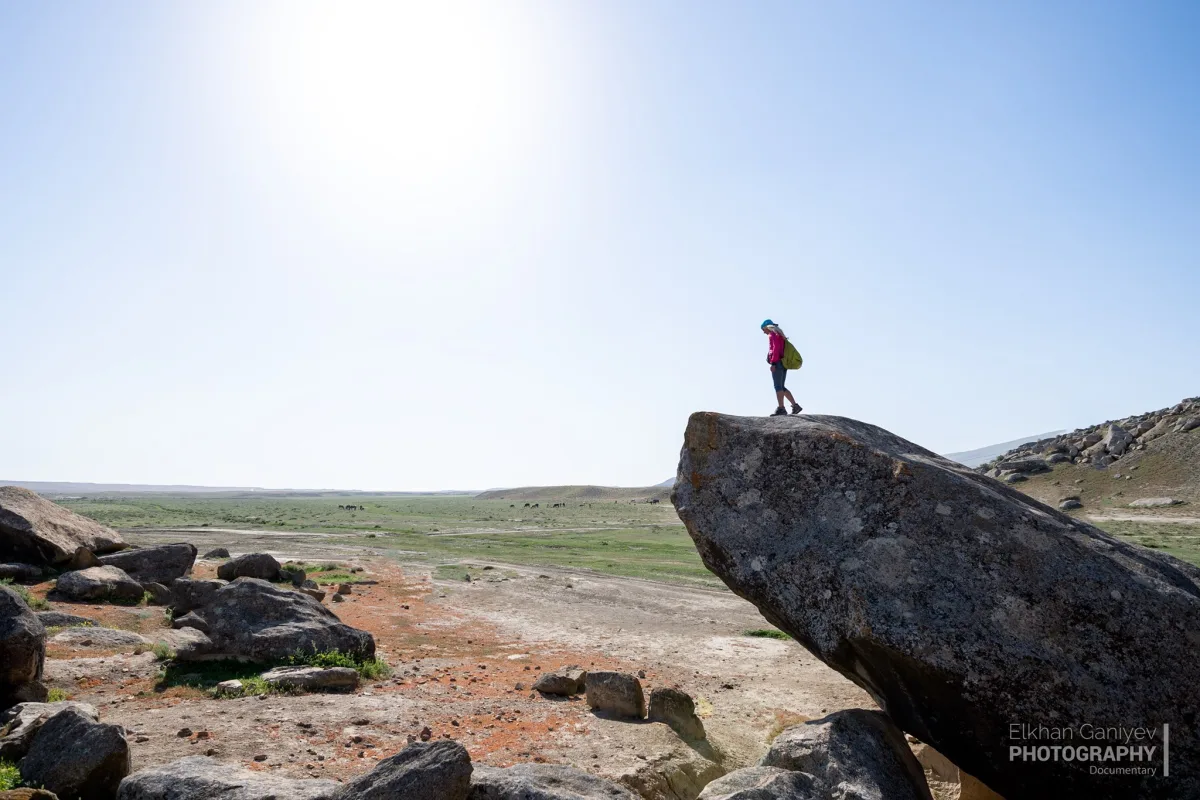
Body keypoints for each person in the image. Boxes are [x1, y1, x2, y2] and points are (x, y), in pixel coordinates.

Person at [762, 319, 801, 416]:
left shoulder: (772, 334)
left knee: (778, 386)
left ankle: (781, 408)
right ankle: (795, 406)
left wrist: (773, 363)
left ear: (767, 327)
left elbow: (775, 349)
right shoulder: (780, 335)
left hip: (778, 362)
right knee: (782, 386)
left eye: (763, 329)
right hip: (783, 363)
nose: (763, 332)